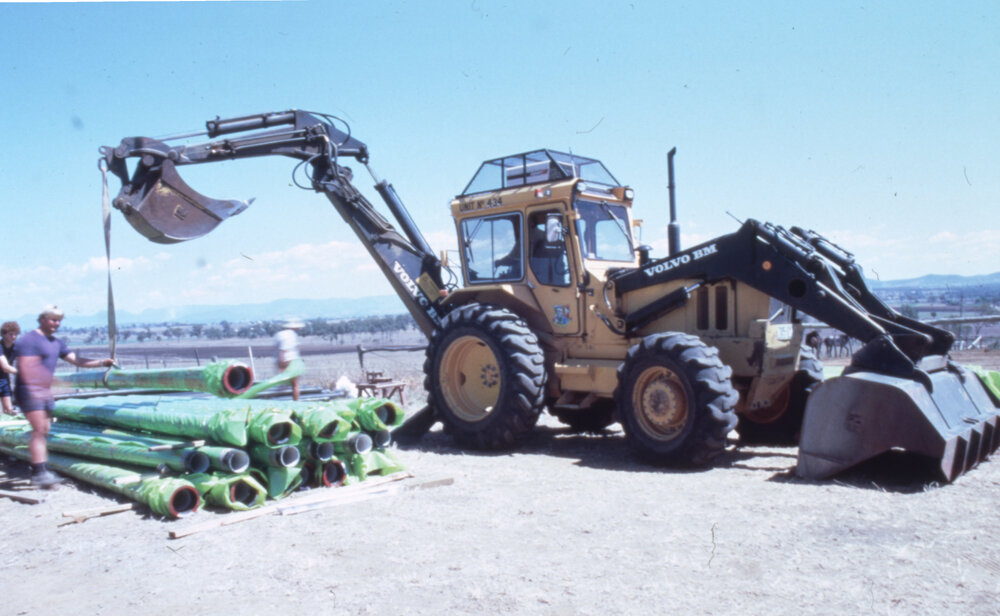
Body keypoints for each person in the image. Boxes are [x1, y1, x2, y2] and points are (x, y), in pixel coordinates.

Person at [14, 305, 114, 488]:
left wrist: (102, 362)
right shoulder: (29, 340)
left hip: (43, 392)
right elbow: (26, 368)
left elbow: (76, 360)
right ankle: (39, 474)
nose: (56, 324)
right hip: (29, 391)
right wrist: (53, 384)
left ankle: (41, 470)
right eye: (52, 319)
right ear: (42, 319)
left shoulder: (56, 343)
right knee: (38, 430)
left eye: (59, 320)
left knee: (43, 430)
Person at [275, 318, 303, 401]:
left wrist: (281, 365)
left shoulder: (281, 335)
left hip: (286, 361)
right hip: (294, 361)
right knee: (295, 385)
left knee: (285, 384)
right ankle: (296, 402)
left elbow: (283, 350)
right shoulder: (292, 334)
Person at [1, 321, 20, 415]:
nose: (14, 337)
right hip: (4, 374)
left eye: (15, 334)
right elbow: (5, 367)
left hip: (4, 379)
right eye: (11, 334)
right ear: (3, 335)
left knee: (9, 410)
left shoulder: (16, 348)